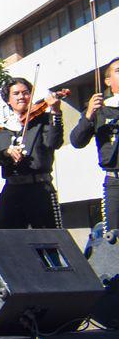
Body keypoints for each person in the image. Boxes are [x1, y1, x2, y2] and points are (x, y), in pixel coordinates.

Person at [0, 76, 65, 229]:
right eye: (16, 94)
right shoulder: (2, 129)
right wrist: (5, 153)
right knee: (11, 239)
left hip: (40, 189)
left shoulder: (44, 120)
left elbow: (54, 143)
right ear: (8, 100)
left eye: (26, 92)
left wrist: (55, 111)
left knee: (49, 238)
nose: (21, 96)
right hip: (12, 191)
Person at [71, 57, 119, 234]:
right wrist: (89, 114)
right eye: (118, 71)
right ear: (108, 81)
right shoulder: (100, 110)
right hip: (115, 181)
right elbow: (77, 141)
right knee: (114, 237)